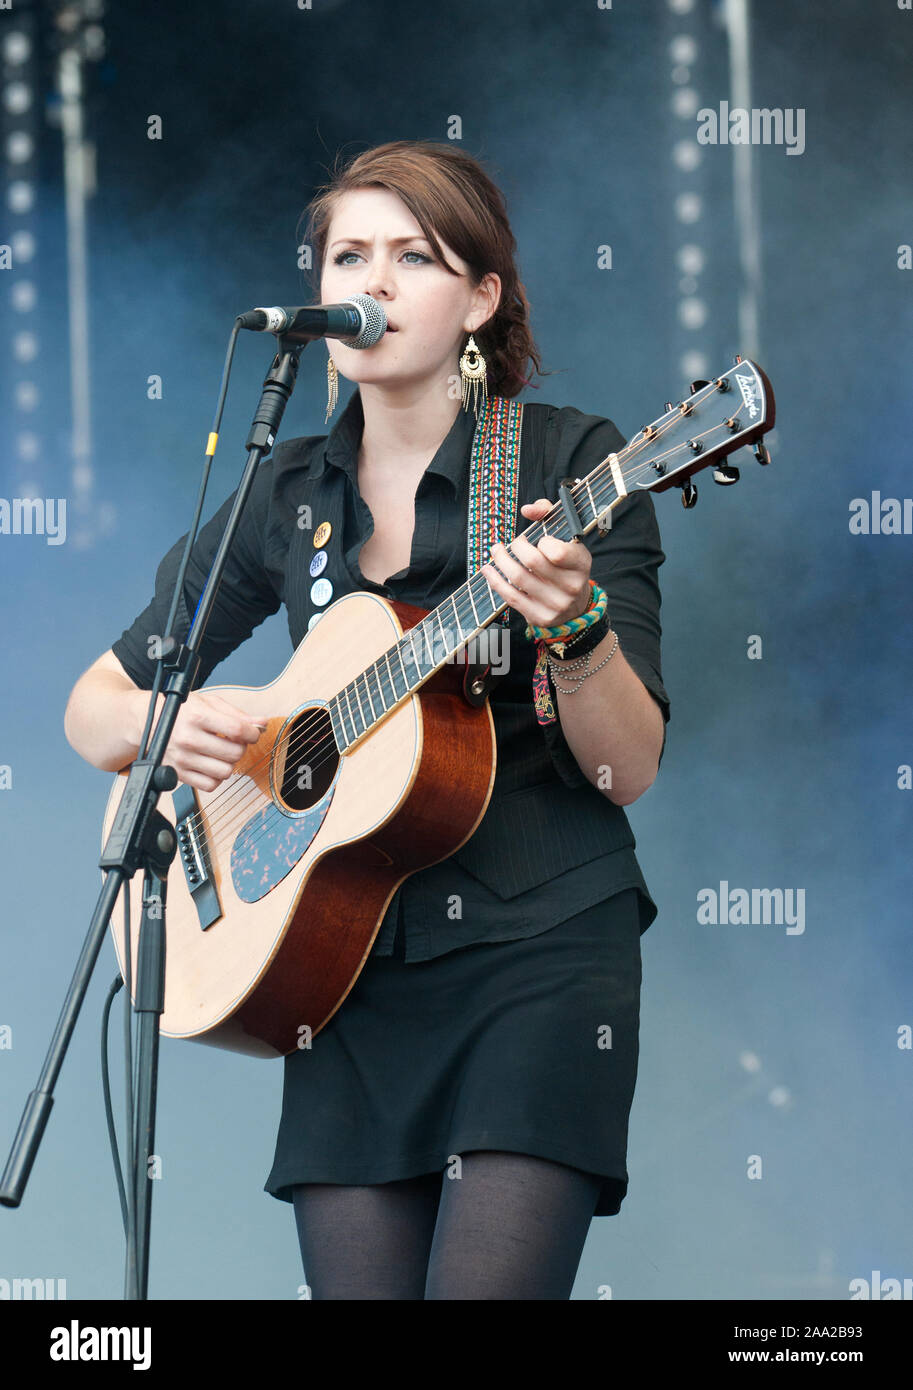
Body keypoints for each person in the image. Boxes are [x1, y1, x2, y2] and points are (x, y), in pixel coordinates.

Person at [64, 139, 670, 1300]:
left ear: (482, 297)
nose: (373, 284)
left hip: (539, 951)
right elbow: (96, 706)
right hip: (341, 963)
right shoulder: (284, 494)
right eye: (350, 254)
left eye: (413, 257)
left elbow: (625, 768)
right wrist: (167, 722)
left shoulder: (569, 461)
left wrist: (577, 625)